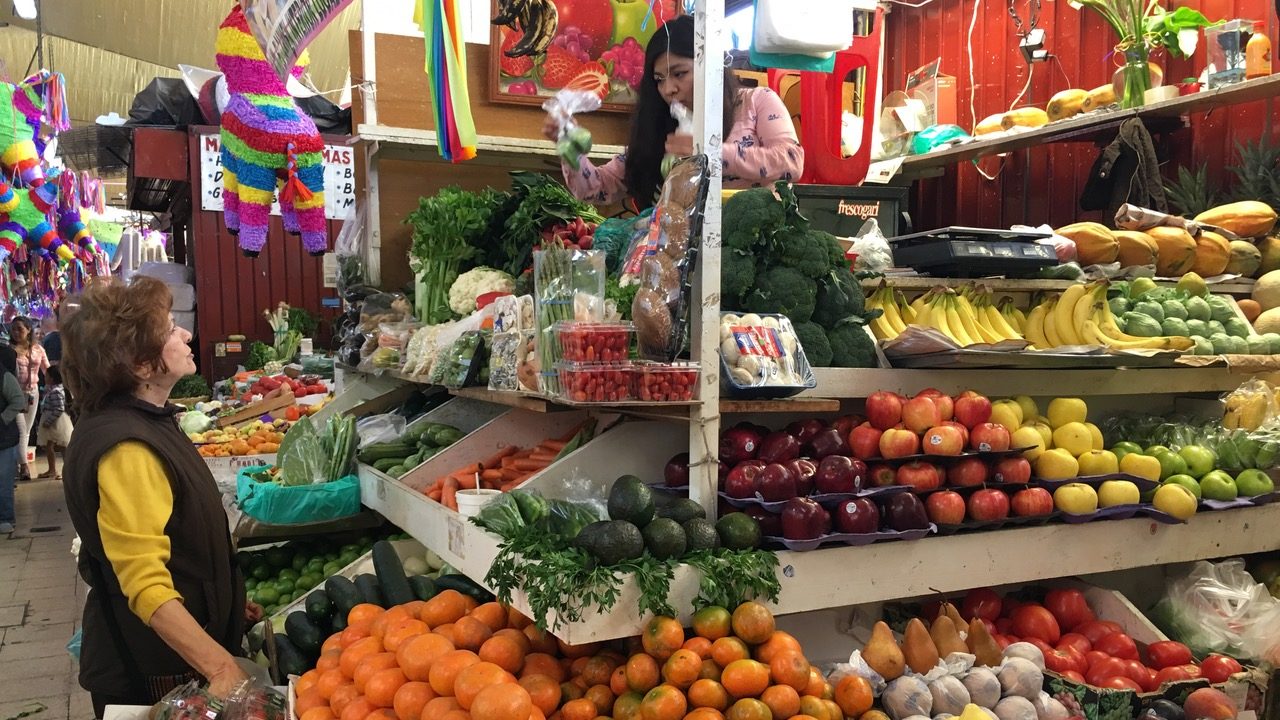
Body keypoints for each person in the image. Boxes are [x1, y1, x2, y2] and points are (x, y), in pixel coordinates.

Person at [62, 277, 255, 715]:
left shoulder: (144, 420)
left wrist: (225, 598)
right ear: (141, 365)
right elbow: (146, 584)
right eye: (169, 329)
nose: (185, 334)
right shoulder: (127, 448)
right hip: (151, 668)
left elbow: (180, 538)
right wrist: (221, 667)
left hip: (166, 655)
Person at [547, 15, 804, 210]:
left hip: (756, 248)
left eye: (679, 73)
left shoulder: (756, 102)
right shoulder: (661, 128)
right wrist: (570, 149)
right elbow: (596, 189)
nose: (668, 89)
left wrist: (711, 153)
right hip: (682, 256)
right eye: (659, 79)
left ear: (710, 65)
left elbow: (791, 162)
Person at [11, 317, 48, 481]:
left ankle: (19, 465)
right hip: (15, 394)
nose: (16, 332)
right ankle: (24, 466)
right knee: (21, 430)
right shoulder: (9, 350)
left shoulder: (38, 349)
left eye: (19, 329)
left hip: (33, 392)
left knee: (26, 430)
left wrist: (53, 388)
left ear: (28, 330)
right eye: (13, 329)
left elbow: (47, 370)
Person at [0, 346, 25, 535]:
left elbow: (18, 400)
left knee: (4, 480)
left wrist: (2, 420)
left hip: (4, 438)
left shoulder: (4, 376)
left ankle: (6, 518)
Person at [37, 365, 72, 481]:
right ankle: (52, 469)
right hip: (52, 420)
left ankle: (63, 469)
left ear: (52, 378)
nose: (45, 377)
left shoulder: (56, 391)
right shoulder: (51, 389)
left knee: (59, 446)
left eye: (46, 376)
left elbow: (59, 408)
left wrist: (49, 421)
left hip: (55, 422)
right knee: (50, 446)